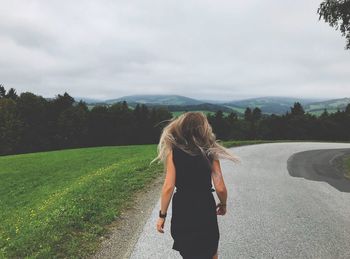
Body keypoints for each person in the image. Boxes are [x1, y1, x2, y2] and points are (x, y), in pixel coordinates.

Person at [150, 111, 240, 259]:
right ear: (204, 129)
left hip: (182, 207)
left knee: (189, 251)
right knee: (210, 250)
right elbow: (220, 187)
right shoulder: (210, 152)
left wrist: (162, 216)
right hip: (204, 205)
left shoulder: (173, 151)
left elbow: (168, 187)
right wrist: (223, 204)